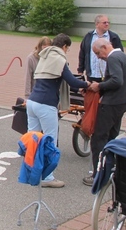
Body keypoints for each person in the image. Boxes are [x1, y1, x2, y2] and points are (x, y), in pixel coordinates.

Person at [27, 33, 90, 188]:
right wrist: (87, 85)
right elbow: (72, 81)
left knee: (33, 140)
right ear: (64, 47)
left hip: (32, 101)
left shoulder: (44, 56)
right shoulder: (60, 59)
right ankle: (47, 177)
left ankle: (31, 172)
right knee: (50, 141)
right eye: (67, 49)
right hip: (46, 104)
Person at [83, 38, 126, 186]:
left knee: (99, 138)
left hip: (110, 104)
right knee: (112, 137)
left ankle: (98, 175)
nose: (99, 57)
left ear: (105, 47)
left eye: (98, 53)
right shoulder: (124, 56)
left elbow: (117, 80)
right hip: (122, 102)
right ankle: (111, 170)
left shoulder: (113, 58)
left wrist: (99, 86)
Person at [78, 14, 124, 82]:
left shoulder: (114, 37)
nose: (107, 24)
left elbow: (120, 55)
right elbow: (82, 53)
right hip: (92, 75)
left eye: (108, 22)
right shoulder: (88, 36)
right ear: (97, 24)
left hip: (108, 75)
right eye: (104, 22)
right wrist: (80, 70)